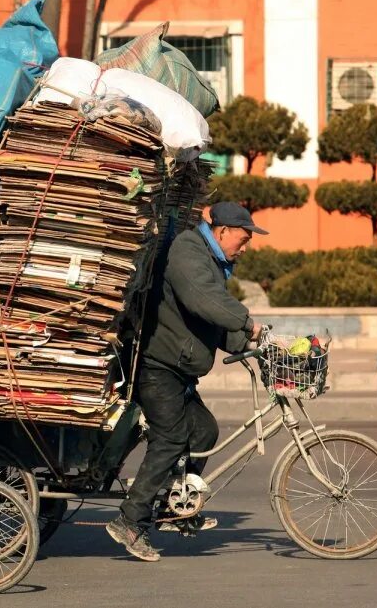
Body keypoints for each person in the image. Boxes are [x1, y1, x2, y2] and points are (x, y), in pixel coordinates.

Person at [106, 201, 264, 562]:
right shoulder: (188, 250)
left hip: (178, 369)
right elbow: (205, 301)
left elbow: (206, 321)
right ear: (222, 231)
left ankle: (174, 507)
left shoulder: (209, 259)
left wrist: (249, 343)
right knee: (171, 437)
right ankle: (129, 522)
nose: (245, 247)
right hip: (156, 366)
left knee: (204, 431)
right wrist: (247, 322)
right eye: (243, 239)